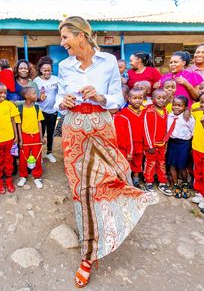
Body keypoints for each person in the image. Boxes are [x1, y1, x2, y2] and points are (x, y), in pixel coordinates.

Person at [54, 16, 158, 288]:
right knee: (81, 189)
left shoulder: (109, 61)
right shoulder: (64, 66)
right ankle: (88, 255)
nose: (61, 42)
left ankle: (123, 211)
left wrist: (100, 97)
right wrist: (62, 101)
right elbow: (58, 100)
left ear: (82, 36)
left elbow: (117, 98)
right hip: (74, 127)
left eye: (65, 37)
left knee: (111, 176)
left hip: (102, 124)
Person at [114, 88, 145, 189]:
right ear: (129, 99)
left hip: (140, 142)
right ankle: (126, 181)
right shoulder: (123, 113)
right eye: (134, 98)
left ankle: (136, 181)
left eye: (140, 98)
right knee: (126, 163)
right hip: (128, 143)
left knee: (137, 162)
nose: (137, 100)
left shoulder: (145, 112)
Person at [143, 89, 172, 196]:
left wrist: (166, 142)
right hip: (151, 145)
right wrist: (149, 145)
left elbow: (167, 128)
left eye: (164, 98)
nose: (161, 100)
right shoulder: (149, 111)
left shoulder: (165, 112)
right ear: (153, 99)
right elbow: (146, 129)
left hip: (162, 144)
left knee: (161, 163)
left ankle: (162, 182)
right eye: (158, 98)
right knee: (150, 163)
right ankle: (148, 182)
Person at [166, 96, 195, 198]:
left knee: (182, 165)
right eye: (174, 105)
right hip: (172, 142)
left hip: (184, 144)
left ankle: (185, 183)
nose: (176, 107)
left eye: (180, 105)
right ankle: (175, 183)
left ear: (185, 107)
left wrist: (191, 147)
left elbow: (193, 132)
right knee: (172, 165)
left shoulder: (188, 118)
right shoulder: (169, 116)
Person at [17, 86, 45, 189]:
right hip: (25, 136)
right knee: (24, 157)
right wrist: (20, 139)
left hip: (36, 136)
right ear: (26, 96)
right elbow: (18, 125)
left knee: (37, 156)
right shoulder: (20, 109)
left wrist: (41, 137)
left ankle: (37, 176)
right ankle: (23, 175)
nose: (36, 95)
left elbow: (39, 123)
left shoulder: (37, 108)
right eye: (33, 93)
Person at [34, 56, 58, 163]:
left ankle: (49, 152)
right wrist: (39, 98)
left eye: (49, 70)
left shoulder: (56, 79)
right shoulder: (36, 81)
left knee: (51, 132)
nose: (47, 72)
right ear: (40, 70)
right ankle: (40, 154)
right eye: (45, 70)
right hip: (41, 111)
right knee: (41, 133)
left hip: (53, 111)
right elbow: (34, 96)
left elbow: (60, 93)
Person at [191, 90, 204, 212]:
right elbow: (191, 109)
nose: (203, 105)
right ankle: (200, 193)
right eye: (202, 102)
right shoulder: (196, 108)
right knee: (198, 171)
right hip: (197, 147)